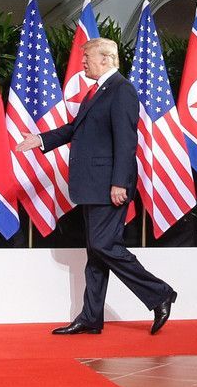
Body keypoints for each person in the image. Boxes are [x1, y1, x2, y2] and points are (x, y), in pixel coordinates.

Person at [16, 37, 177, 335]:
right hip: (93, 185)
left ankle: (159, 293)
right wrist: (40, 139)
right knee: (96, 252)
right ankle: (91, 317)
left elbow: (127, 141)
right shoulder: (96, 92)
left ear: (105, 58)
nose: (82, 63)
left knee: (104, 246)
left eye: (86, 57)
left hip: (108, 185)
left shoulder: (122, 89)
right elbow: (76, 129)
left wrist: (119, 183)